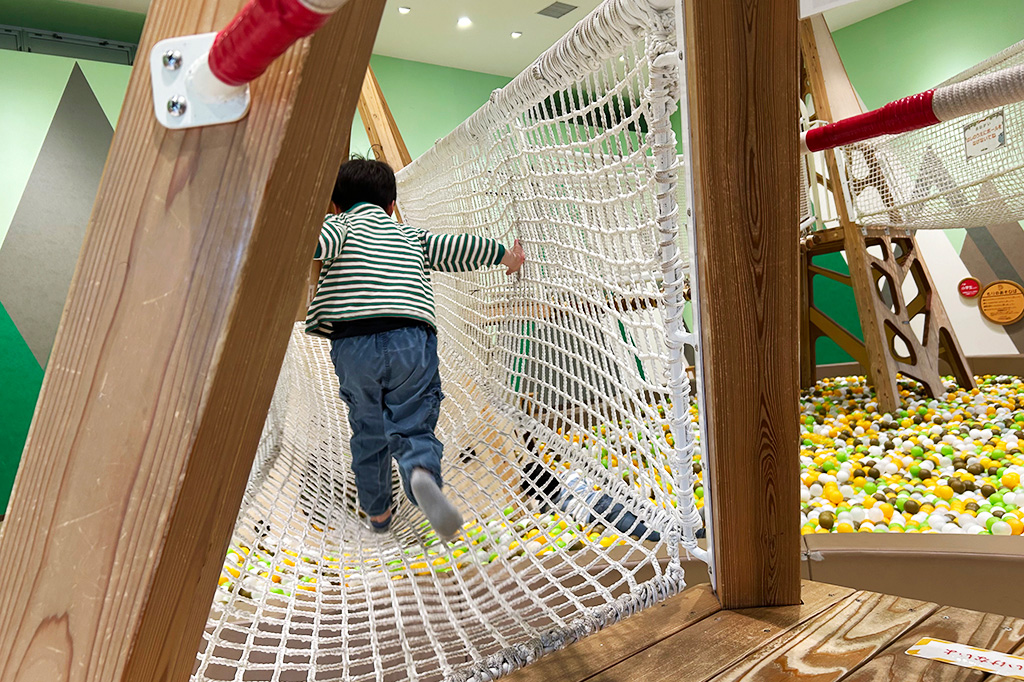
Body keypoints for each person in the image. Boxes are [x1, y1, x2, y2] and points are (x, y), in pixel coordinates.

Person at [306, 157, 525, 541]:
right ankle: (421, 472)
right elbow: (461, 248)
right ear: (391, 205)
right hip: (411, 337)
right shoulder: (412, 237)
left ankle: (378, 511)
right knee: (412, 423)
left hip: (354, 343)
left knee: (368, 427)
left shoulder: (337, 227)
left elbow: (312, 242)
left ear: (336, 205)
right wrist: (506, 255)